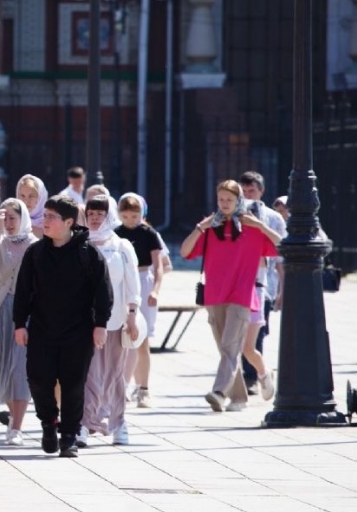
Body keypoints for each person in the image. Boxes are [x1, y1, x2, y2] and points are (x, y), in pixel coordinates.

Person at [13, 194, 111, 458]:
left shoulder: (88, 254)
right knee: (38, 378)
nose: (44, 221)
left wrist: (100, 324)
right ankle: (48, 423)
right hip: (42, 329)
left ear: (69, 222)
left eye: (51, 217)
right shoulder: (36, 253)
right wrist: (19, 323)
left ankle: (68, 437)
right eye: (44, 216)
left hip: (78, 331)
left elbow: (103, 291)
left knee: (73, 384)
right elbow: (23, 290)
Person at [180, 179, 281, 412]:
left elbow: (282, 246)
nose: (224, 204)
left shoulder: (252, 229)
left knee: (229, 345)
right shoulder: (210, 228)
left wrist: (260, 226)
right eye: (221, 199)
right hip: (214, 295)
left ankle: (218, 392)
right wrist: (199, 228)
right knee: (227, 349)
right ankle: (239, 398)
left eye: (229, 200)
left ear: (239, 201)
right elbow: (185, 251)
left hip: (243, 295)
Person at [81, 195, 141, 446]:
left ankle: (119, 423)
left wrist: (132, 315)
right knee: (89, 374)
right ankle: (84, 423)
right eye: (91, 213)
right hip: (85, 320)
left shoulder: (121, 246)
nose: (95, 218)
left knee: (115, 374)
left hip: (115, 320)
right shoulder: (79, 242)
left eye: (100, 213)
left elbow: (132, 283)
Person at [0, 198, 36, 445]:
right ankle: (12, 416)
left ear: (22, 218)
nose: (8, 223)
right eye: (5, 218)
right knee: (1, 372)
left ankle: (16, 427)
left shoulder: (34, 245)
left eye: (12, 218)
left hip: (25, 313)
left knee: (20, 369)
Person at [237, 171, 286, 395]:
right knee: (240, 331)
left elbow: (280, 255)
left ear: (261, 191)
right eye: (244, 191)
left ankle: (256, 373)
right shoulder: (235, 215)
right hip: (239, 280)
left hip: (265, 283)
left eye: (252, 191)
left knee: (258, 332)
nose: (248, 195)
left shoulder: (273, 217)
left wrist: (282, 290)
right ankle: (249, 375)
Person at [116, 193, 165, 408]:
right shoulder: (116, 234)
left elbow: (159, 265)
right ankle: (122, 385)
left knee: (142, 338)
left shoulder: (149, 233)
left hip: (143, 278)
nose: (130, 221)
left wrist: (155, 290)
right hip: (123, 281)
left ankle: (143, 387)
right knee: (121, 338)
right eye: (126, 216)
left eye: (134, 216)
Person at [17, 174, 48, 239]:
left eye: (31, 196)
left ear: (40, 198)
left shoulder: (51, 221)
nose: (26, 201)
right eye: (22, 196)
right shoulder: (10, 219)